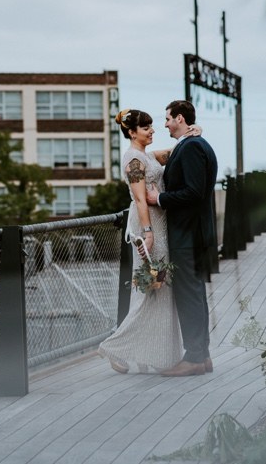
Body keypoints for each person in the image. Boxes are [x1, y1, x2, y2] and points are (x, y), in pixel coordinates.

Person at [97, 108, 194, 374]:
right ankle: (115, 347)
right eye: (146, 127)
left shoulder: (144, 156)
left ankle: (144, 353)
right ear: (131, 132)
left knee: (158, 288)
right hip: (149, 228)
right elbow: (140, 199)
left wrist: (192, 132)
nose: (152, 130)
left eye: (152, 126)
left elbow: (170, 154)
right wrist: (148, 233)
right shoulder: (134, 161)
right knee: (152, 288)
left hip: (158, 225)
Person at [146, 100, 218, 377]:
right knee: (195, 294)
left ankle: (195, 357)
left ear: (179, 118)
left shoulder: (192, 147)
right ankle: (202, 356)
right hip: (193, 232)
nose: (164, 124)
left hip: (188, 234)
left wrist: (159, 198)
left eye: (167, 119)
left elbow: (194, 192)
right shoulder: (192, 143)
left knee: (189, 295)